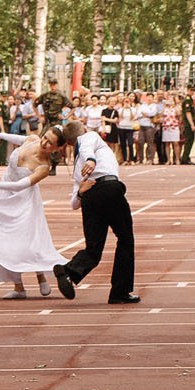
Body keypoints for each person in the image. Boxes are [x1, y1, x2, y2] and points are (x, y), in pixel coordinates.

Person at [0, 126, 65, 298]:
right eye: (45, 138)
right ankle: (18, 286)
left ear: (56, 148)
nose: (44, 143)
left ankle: (40, 275)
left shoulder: (44, 167)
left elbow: (20, 185)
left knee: (28, 239)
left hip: (23, 200)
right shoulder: (32, 139)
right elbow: (16, 138)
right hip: (5, 194)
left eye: (50, 143)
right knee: (5, 239)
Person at [55, 121, 139, 305]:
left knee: (93, 249)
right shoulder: (89, 137)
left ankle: (69, 271)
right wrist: (91, 160)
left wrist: (79, 192)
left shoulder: (77, 167)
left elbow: (74, 204)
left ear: (69, 144)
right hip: (109, 188)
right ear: (83, 131)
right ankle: (120, 291)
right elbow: (85, 147)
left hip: (89, 199)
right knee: (126, 239)